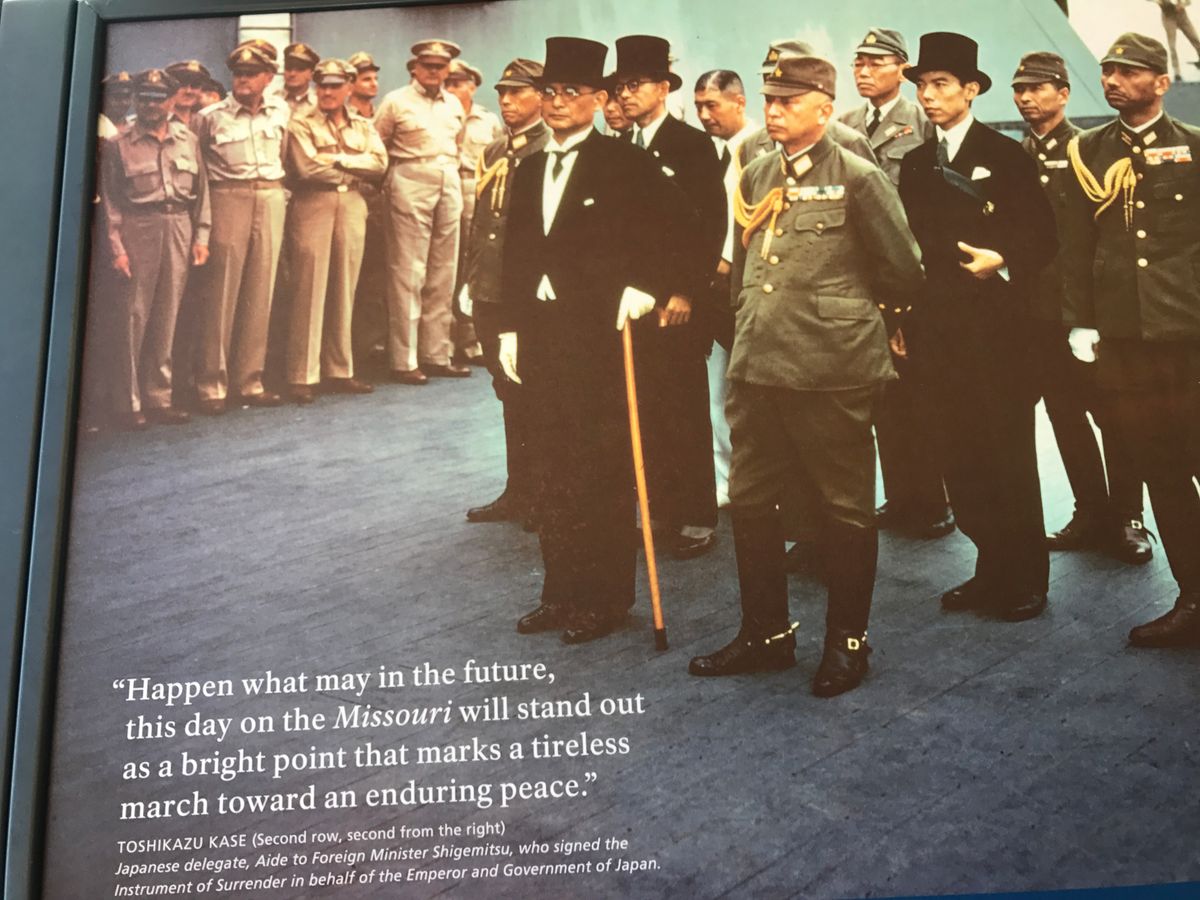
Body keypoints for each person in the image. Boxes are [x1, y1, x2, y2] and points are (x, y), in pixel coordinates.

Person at [688, 52, 924, 697]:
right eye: (770, 101)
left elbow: (904, 268)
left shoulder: (858, 176)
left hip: (831, 368)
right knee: (750, 500)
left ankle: (848, 643)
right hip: (759, 364)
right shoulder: (757, 171)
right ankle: (765, 634)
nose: (774, 111)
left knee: (844, 507)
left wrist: (849, 320)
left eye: (788, 102)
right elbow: (746, 268)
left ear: (824, 108)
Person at [495, 36, 696, 644]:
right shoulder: (530, 167)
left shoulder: (624, 162)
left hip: (601, 336)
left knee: (600, 469)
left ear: (599, 99)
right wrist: (509, 326)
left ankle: (605, 599)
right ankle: (560, 593)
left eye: (571, 91)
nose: (557, 102)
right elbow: (516, 253)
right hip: (542, 334)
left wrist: (648, 285)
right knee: (550, 465)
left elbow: (679, 227)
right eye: (549, 91)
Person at [898, 32, 1058, 621]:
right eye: (922, 85)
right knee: (959, 458)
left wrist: (1003, 258)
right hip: (939, 332)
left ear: (970, 89)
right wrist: (903, 318)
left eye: (940, 84)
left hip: (996, 334)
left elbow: (1044, 236)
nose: (928, 95)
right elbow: (908, 246)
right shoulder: (917, 164)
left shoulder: (1005, 155)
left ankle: (1026, 577)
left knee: (1007, 457)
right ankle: (990, 566)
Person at [1060, 33, 1200, 646]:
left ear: (1160, 82)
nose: (1112, 80)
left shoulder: (1194, 147)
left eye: (1127, 71)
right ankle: (1193, 598)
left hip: (1188, 338)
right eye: (1107, 71)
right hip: (1125, 341)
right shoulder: (1087, 150)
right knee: (1161, 470)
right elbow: (1076, 244)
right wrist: (1080, 320)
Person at [1011, 51, 1152, 565]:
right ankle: (1090, 511)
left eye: (1037, 88)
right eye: (1019, 89)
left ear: (1063, 94)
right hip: (1037, 314)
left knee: (1114, 416)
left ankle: (1129, 518)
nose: (1026, 98)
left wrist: (1095, 317)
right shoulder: (1014, 156)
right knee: (1064, 415)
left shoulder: (1089, 151)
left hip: (1088, 316)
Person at [614, 34, 726, 560]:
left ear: (663, 88)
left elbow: (708, 226)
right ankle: (658, 508)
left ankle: (697, 516)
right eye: (620, 86)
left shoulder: (691, 146)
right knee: (646, 408)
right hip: (632, 304)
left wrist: (684, 290)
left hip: (675, 305)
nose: (626, 94)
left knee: (683, 408)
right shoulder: (622, 148)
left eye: (635, 84)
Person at [839, 27, 953, 540]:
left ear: (902, 69)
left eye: (875, 62)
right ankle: (903, 494)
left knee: (922, 391)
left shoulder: (922, 121)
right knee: (882, 393)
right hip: (867, 274)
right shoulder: (845, 124)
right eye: (858, 63)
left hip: (912, 272)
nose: (863, 71)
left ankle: (935, 498)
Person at [461, 58, 549, 528]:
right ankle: (519, 490)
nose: (507, 101)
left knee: (534, 390)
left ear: (541, 96)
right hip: (491, 288)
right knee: (506, 389)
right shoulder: (496, 150)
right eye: (502, 93)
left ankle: (544, 491)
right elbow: (483, 222)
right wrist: (470, 279)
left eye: (518, 92)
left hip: (526, 294)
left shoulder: (548, 149)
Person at [99, 68, 210, 429]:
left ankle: (159, 397)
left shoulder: (187, 138)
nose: (151, 105)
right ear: (137, 100)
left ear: (171, 100)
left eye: (158, 98)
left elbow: (202, 193)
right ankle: (128, 403)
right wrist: (117, 248)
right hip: (139, 227)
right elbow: (111, 202)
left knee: (167, 315)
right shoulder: (119, 143)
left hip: (178, 224)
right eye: (144, 98)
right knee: (134, 316)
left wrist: (201, 236)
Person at [192, 40, 291, 413]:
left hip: (270, 195)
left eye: (251, 74)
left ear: (268, 77)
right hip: (228, 197)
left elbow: (283, 154)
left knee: (260, 291)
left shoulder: (280, 112)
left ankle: (250, 380)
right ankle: (211, 385)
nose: (243, 80)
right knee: (222, 293)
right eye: (238, 74)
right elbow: (200, 168)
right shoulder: (211, 116)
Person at [282, 58, 387, 405]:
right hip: (314, 202)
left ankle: (339, 369)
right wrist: (355, 166)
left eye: (334, 86)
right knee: (309, 287)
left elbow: (380, 164)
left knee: (345, 285)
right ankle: (302, 374)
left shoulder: (363, 125)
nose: (327, 92)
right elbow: (307, 168)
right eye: (322, 85)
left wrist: (339, 159)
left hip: (353, 204)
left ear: (348, 87)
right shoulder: (301, 122)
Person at [375, 39, 470, 384]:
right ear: (415, 67)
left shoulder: (454, 104)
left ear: (448, 70)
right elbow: (377, 145)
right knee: (408, 271)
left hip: (448, 180)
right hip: (409, 178)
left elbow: (457, 145)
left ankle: (436, 354)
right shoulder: (396, 101)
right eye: (427, 65)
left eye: (440, 66)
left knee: (444, 271)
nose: (433, 71)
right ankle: (404, 360)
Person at [694, 68, 758, 510]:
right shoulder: (709, 153)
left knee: (752, 393)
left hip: (746, 286)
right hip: (714, 289)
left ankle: (756, 482)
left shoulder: (760, 150)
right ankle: (726, 479)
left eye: (712, 105)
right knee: (716, 390)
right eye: (699, 106)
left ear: (739, 101)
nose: (704, 115)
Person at [737, 40, 877, 169]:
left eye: (789, 75)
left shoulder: (849, 142)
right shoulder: (750, 146)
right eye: (769, 76)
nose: (774, 82)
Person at [446, 58, 504, 365]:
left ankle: (471, 341)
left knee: (472, 264)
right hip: (446, 185)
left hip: (475, 187)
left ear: (473, 86)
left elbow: (499, 157)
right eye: (448, 83)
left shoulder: (487, 119)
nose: (451, 89)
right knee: (444, 269)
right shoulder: (442, 114)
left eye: (458, 84)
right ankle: (442, 344)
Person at [1149, 0, 1200, 81]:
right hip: (1169, 17)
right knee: (1172, 46)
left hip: (1182, 16)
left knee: (1195, 39)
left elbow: (1188, 2)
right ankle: (1177, 71)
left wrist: (1183, 4)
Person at [165, 60, 211, 130]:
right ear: (169, 87)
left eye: (195, 85)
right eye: (182, 85)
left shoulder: (207, 122)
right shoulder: (159, 121)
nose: (188, 91)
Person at [280, 42, 319, 116]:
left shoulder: (319, 103)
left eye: (300, 69)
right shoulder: (272, 100)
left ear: (311, 75)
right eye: (288, 68)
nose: (292, 74)